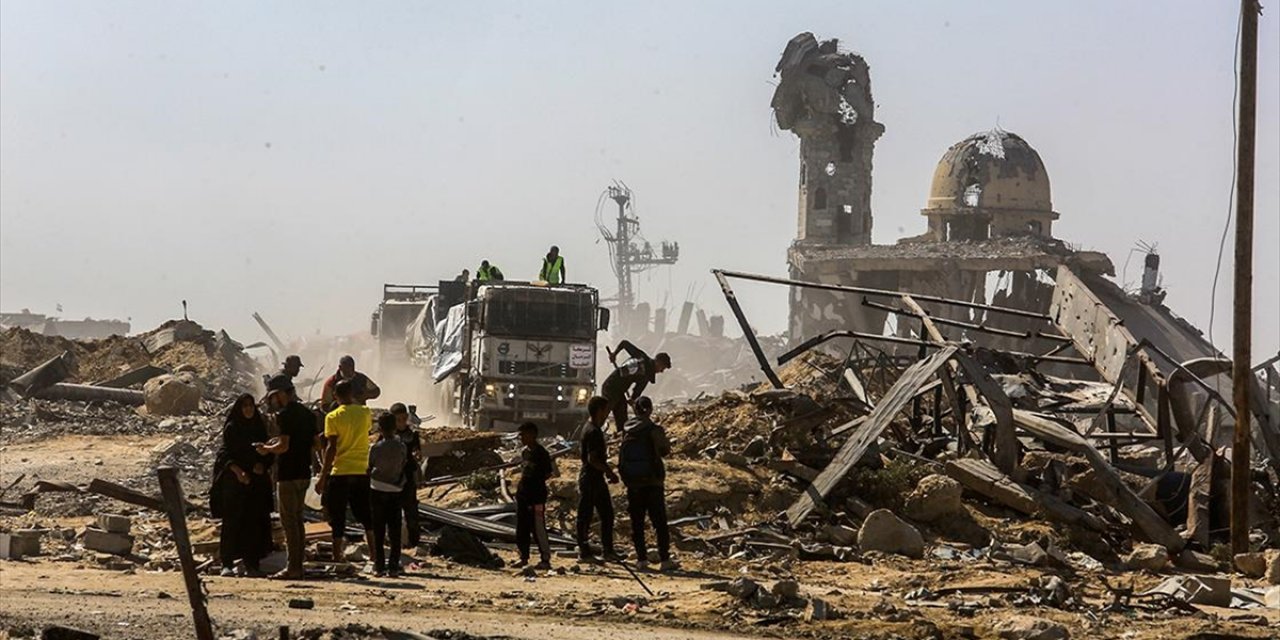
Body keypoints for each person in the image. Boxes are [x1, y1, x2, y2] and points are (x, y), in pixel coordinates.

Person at [255, 377, 318, 579]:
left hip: (288, 474)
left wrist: (266, 449)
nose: (273, 400)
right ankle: (298, 565)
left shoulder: (285, 415)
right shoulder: (307, 414)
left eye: (274, 395)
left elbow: (284, 446)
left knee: (289, 522)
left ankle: (293, 567)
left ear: (282, 393)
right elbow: (316, 444)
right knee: (297, 521)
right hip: (304, 473)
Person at [211, 394, 274, 577]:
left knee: (253, 523)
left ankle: (252, 564)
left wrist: (263, 463)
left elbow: (267, 451)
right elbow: (227, 454)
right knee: (232, 523)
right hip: (235, 483)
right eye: (245, 406)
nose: (248, 409)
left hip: (255, 483)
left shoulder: (258, 427)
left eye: (251, 406)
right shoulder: (232, 428)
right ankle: (227, 563)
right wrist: (240, 472)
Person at [316, 380, 375, 564]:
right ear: (352, 393)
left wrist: (322, 476)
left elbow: (331, 448)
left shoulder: (332, 417)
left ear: (335, 395)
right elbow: (366, 432)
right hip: (361, 470)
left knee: (337, 515)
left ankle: (337, 555)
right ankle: (374, 553)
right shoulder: (365, 413)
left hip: (340, 471)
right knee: (365, 514)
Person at [618, 397, 676, 572]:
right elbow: (665, 450)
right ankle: (664, 559)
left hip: (633, 483)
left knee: (637, 522)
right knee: (659, 522)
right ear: (650, 410)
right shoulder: (654, 430)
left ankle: (641, 559)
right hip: (653, 481)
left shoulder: (627, 431)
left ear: (635, 410)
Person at [576, 396, 619, 562]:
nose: (607, 414)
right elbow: (593, 459)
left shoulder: (590, 428)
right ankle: (585, 552)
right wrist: (609, 472)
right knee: (588, 515)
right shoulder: (593, 431)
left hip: (593, 478)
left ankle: (607, 551)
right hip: (591, 478)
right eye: (606, 410)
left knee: (605, 514)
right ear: (599, 410)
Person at [368, 413, 409, 577]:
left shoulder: (376, 448)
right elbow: (404, 463)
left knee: (378, 529)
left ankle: (378, 566)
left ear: (380, 428)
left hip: (377, 490)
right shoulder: (401, 447)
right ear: (394, 427)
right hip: (395, 491)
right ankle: (393, 566)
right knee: (395, 530)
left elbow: (370, 466)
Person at [601, 340, 672, 432]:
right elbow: (624, 343)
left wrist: (633, 399)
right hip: (610, 387)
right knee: (603, 413)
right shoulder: (641, 357)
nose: (661, 371)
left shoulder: (646, 376)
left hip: (620, 392)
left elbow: (637, 392)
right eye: (662, 367)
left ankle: (622, 437)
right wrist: (614, 354)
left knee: (622, 417)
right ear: (658, 362)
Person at [515, 422, 554, 570]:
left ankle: (545, 559)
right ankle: (523, 557)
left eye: (524, 435)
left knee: (538, 528)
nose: (522, 438)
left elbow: (548, 473)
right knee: (522, 528)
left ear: (532, 435)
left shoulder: (542, 454)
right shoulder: (525, 452)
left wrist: (535, 485)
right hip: (523, 496)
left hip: (536, 497)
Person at [389, 402, 422, 548]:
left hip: (407, 477)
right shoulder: (388, 435)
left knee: (411, 510)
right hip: (392, 478)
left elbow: (417, 452)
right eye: (398, 420)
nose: (401, 423)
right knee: (392, 511)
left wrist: (417, 456)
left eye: (403, 419)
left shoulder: (412, 435)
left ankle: (414, 540)